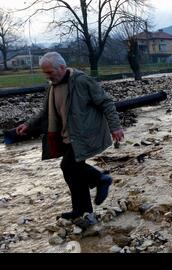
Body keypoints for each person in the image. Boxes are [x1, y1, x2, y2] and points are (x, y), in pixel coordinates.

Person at [16, 52, 124, 220]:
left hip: (84, 134)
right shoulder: (52, 86)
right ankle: (83, 210)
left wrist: (115, 127)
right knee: (72, 172)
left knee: (68, 166)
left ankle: (101, 178)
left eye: (49, 72)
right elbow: (45, 111)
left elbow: (106, 102)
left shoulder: (81, 81)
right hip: (66, 135)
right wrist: (28, 125)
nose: (47, 76)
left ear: (62, 68)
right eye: (44, 72)